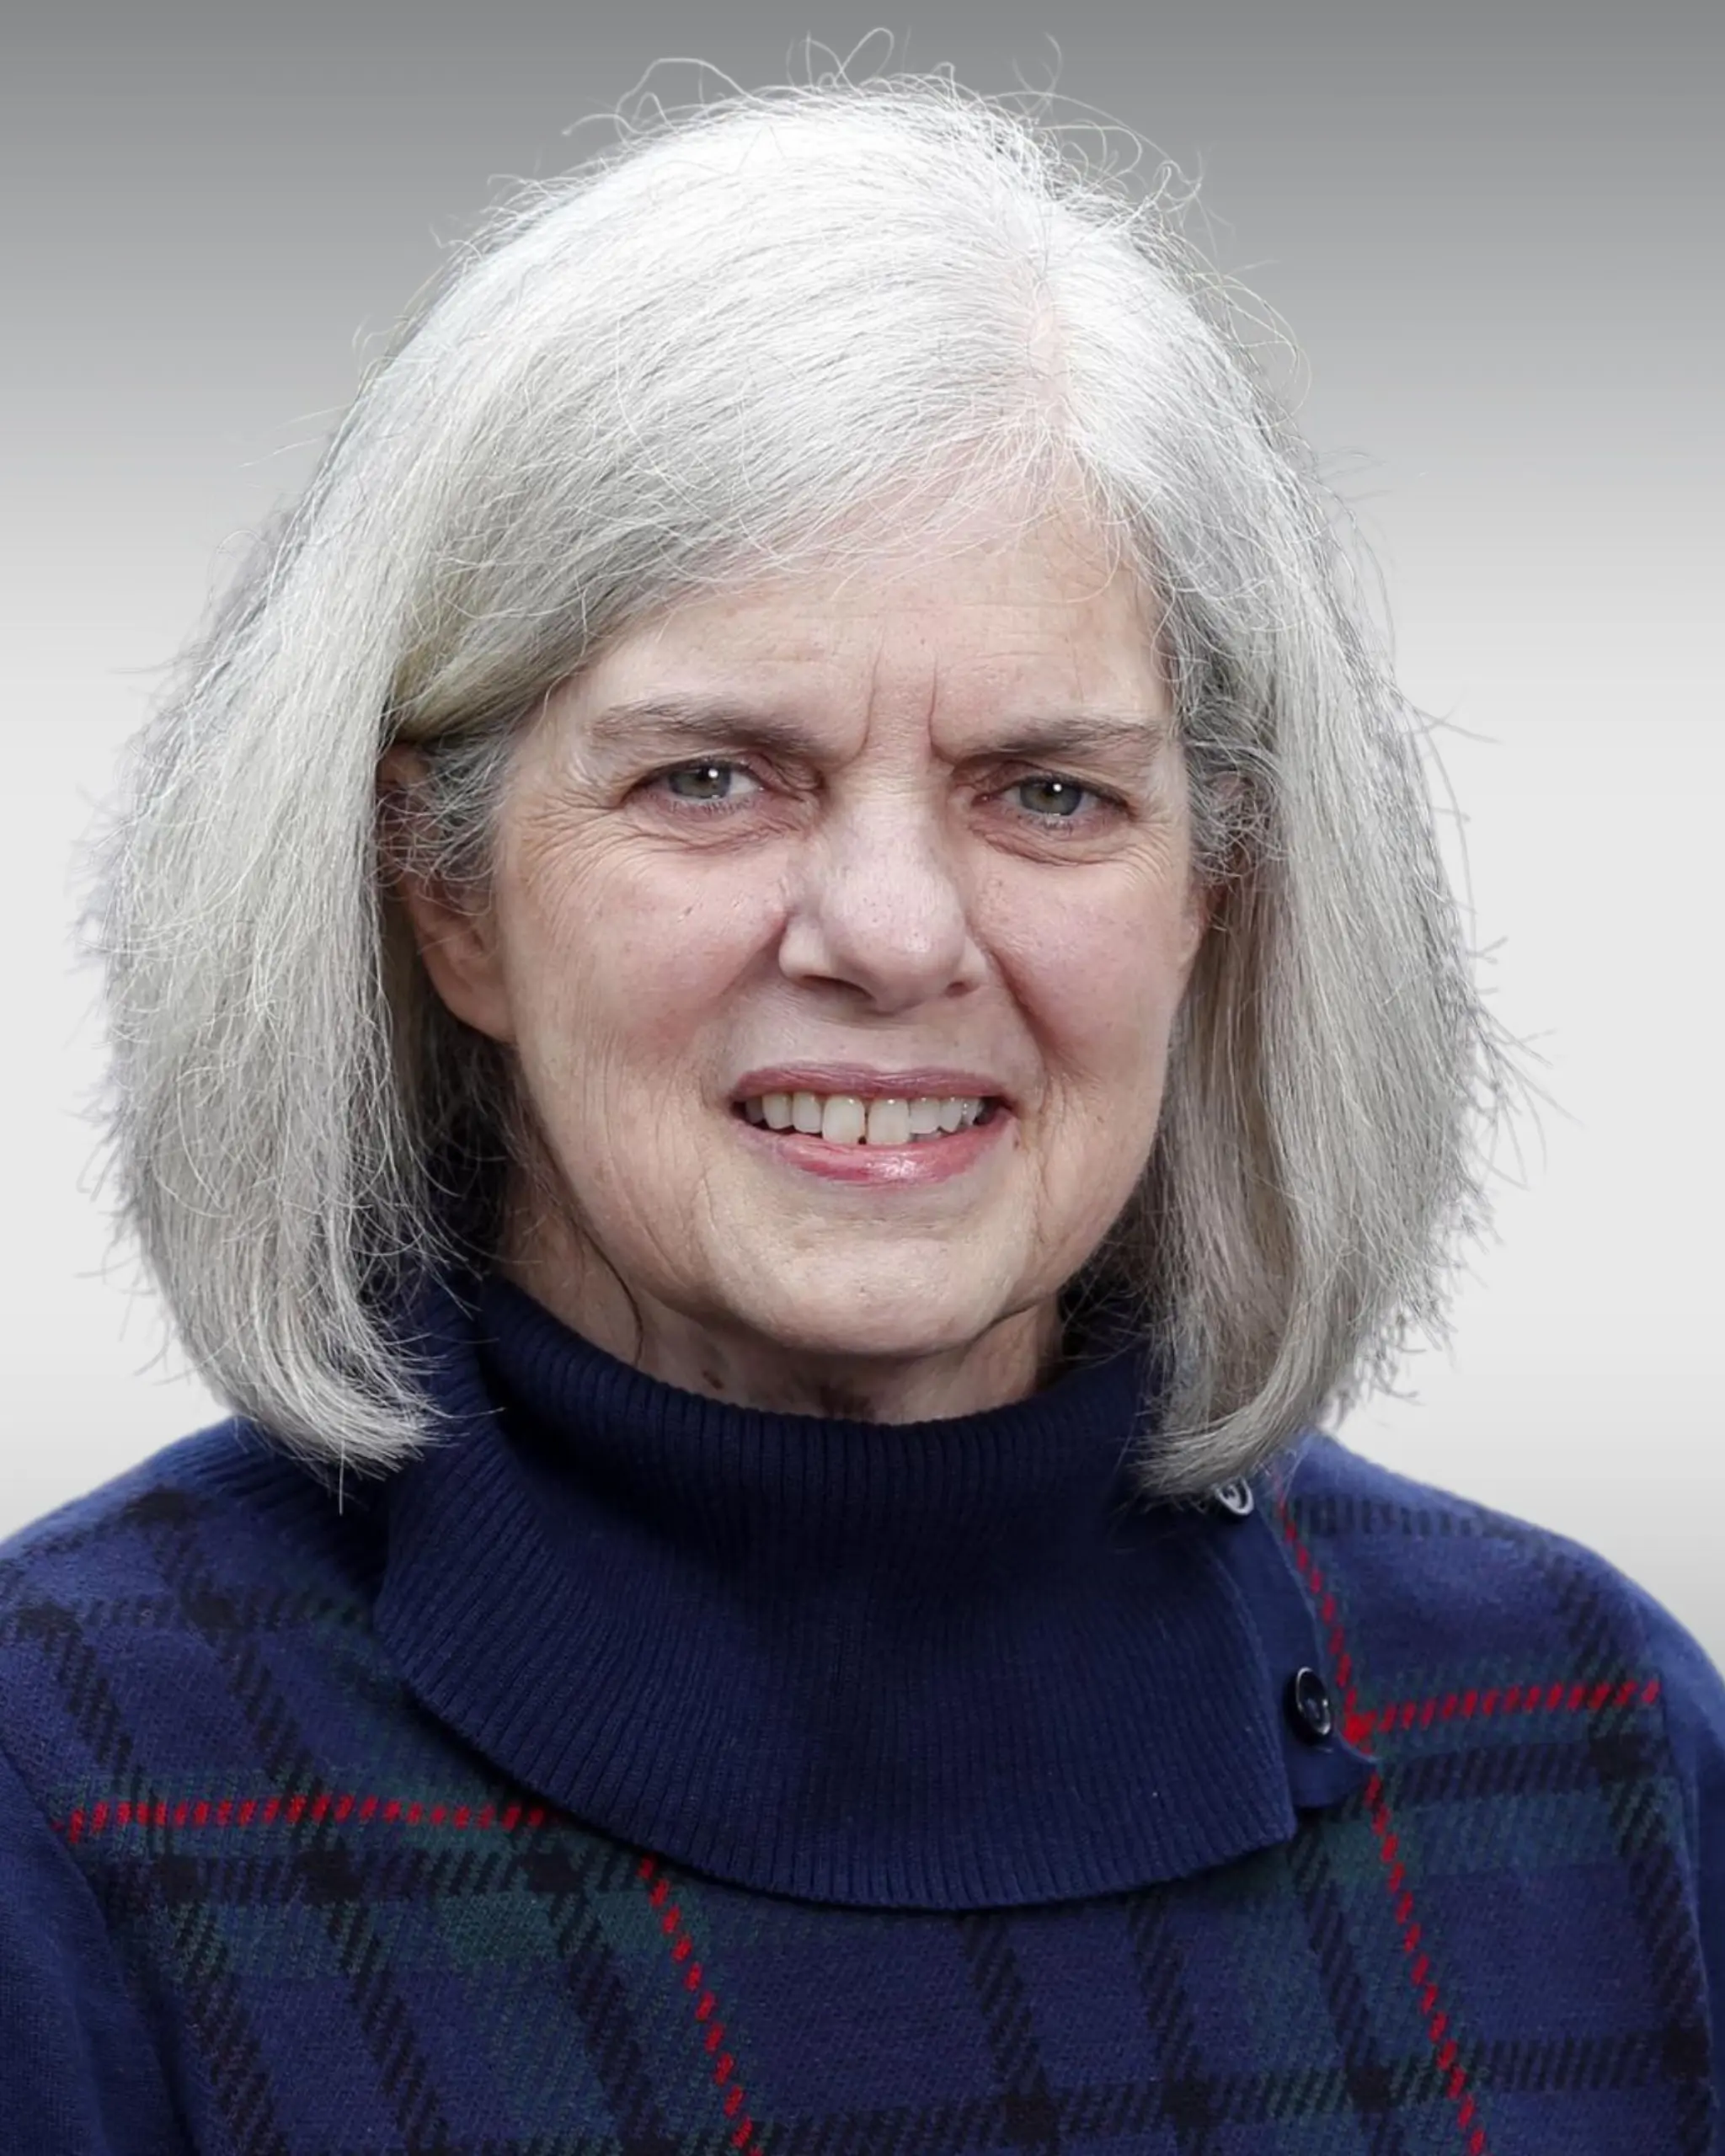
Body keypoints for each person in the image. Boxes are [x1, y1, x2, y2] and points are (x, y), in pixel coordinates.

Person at [2, 67, 1720, 2156]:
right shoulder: (72, 1790)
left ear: (1214, 894)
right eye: (713, 775)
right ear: (449, 894)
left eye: (1047, 788)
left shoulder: (1586, 1751)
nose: (895, 933)